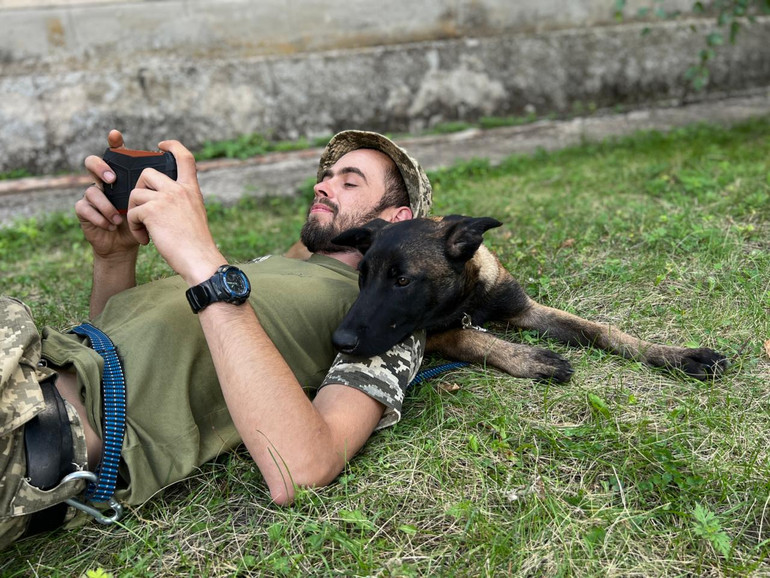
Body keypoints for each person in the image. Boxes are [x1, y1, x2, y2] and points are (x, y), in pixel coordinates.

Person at [0, 129, 433, 549]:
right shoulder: (276, 268)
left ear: (397, 219)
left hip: (33, 435)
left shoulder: (382, 315)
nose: (323, 185)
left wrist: (208, 270)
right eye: (326, 175)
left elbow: (303, 467)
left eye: (349, 180)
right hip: (27, 365)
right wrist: (114, 257)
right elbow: (120, 353)